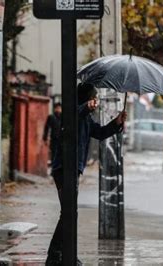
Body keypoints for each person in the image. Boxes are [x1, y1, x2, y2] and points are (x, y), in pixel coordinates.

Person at [46, 83, 127, 265]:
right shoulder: (72, 113)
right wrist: (85, 107)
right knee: (69, 213)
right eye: (94, 98)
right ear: (87, 99)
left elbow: (99, 132)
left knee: (69, 213)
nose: (96, 101)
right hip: (63, 170)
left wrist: (116, 123)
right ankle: (56, 256)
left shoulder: (87, 119)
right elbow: (75, 114)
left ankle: (62, 254)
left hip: (73, 170)